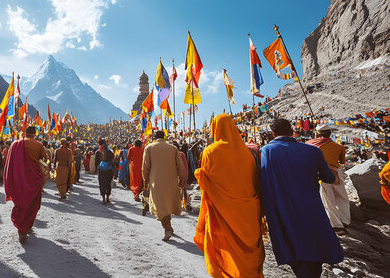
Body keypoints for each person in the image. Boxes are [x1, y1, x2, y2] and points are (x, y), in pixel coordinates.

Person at [260, 118, 343, 278]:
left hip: (283, 210)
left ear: (272, 133)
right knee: (315, 249)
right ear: (292, 131)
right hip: (311, 208)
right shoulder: (312, 151)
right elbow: (328, 178)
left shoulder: (266, 151)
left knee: (293, 250)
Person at [194, 114, 265, 277]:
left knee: (225, 249)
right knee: (248, 254)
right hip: (247, 214)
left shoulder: (210, 151)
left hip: (222, 211)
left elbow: (206, 183)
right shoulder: (248, 154)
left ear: (215, 129)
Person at [4, 125, 48, 243]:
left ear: (24, 133)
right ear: (34, 133)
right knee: (33, 204)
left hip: (19, 179)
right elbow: (45, 159)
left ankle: (21, 230)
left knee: (20, 202)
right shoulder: (39, 145)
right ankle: (26, 227)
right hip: (33, 179)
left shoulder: (15, 144)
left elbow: (10, 164)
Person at [142, 130, 187, 241]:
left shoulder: (149, 148)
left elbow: (145, 167)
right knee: (166, 204)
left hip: (156, 181)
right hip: (171, 181)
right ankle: (169, 227)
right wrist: (182, 180)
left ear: (154, 137)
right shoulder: (173, 148)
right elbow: (181, 167)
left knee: (160, 206)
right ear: (164, 137)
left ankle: (167, 229)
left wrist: (145, 181)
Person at [308, 124, 350, 234]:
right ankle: (346, 220)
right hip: (337, 172)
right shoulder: (339, 146)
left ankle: (337, 225)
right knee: (342, 196)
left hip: (322, 173)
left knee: (328, 200)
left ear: (318, 134)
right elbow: (342, 162)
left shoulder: (311, 145)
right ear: (330, 133)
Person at [97, 139, 114, 204]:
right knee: (108, 184)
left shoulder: (99, 153)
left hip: (101, 171)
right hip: (109, 170)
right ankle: (107, 198)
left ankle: (103, 198)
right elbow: (113, 161)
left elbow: (97, 162)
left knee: (102, 184)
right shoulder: (110, 152)